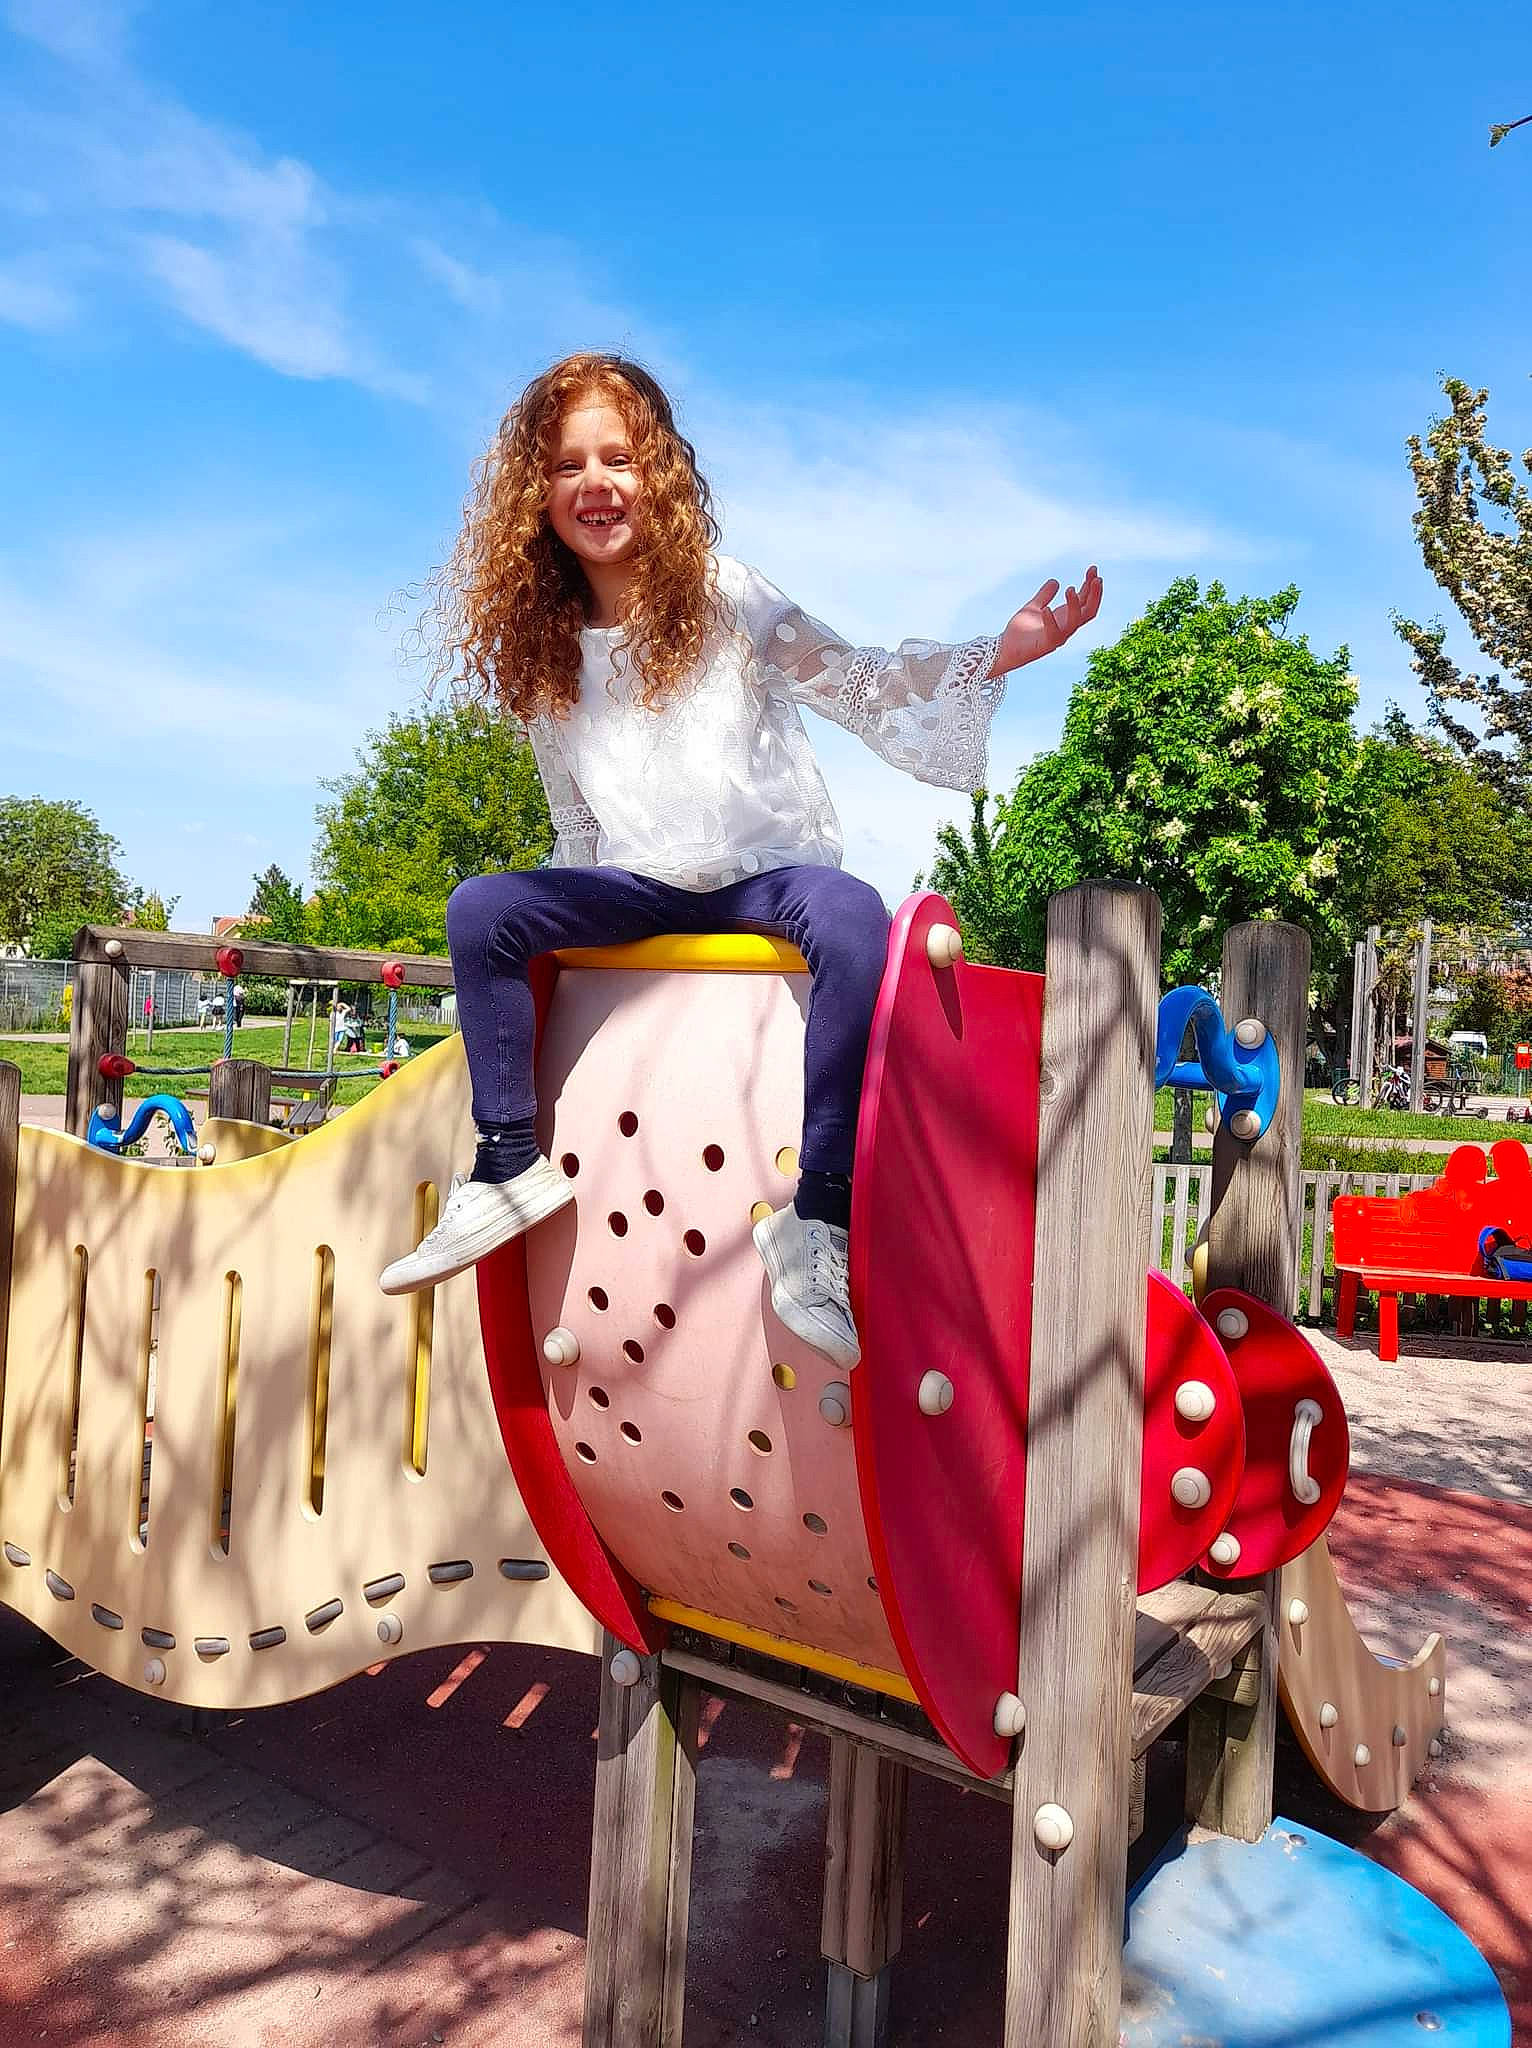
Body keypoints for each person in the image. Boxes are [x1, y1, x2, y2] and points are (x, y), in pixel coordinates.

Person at [378, 352, 1100, 1366]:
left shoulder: (724, 594)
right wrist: (556, 946)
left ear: (659, 471)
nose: (596, 482)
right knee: (482, 908)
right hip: (637, 884)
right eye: (567, 464)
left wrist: (1002, 650)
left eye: (618, 457)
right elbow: (573, 825)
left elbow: (860, 683)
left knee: (852, 915)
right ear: (534, 496)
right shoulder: (548, 646)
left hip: (762, 871)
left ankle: (816, 1221)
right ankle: (505, 1163)